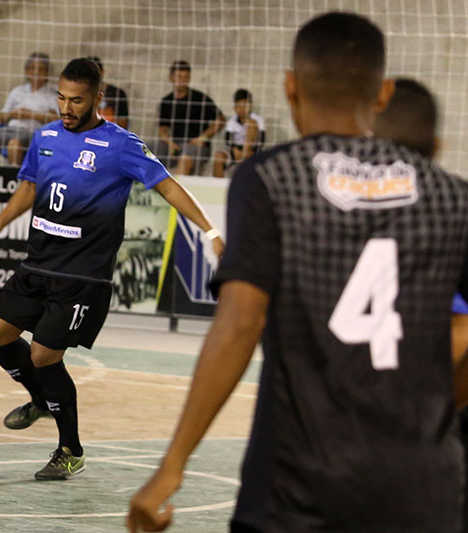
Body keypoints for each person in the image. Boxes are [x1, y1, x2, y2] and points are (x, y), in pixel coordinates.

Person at [128, 11, 468, 532]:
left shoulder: (272, 178)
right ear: (383, 93)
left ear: (290, 87)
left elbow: (240, 323)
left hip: (298, 485)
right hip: (422, 485)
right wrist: (442, 405)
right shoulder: (451, 195)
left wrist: (172, 464)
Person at [0, 57, 225, 481]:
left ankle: (70, 451)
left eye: (76, 100)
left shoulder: (120, 144)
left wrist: (210, 230)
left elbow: (168, 186)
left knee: (43, 355)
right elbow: (30, 185)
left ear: (97, 98)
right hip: (38, 263)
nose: (66, 108)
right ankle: (39, 399)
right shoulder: (45, 136)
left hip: (83, 275)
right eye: (61, 98)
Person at [375, 77, 468, 532]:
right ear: (437, 147)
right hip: (425, 437)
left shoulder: (317, 209)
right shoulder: (450, 211)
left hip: (342, 441)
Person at [0, 53, 59, 166]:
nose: (36, 72)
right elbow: (3, 116)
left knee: (14, 144)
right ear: (27, 71)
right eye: (33, 68)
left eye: (41, 69)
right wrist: (14, 114)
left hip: (31, 132)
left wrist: (29, 114)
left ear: (47, 73)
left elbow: (56, 119)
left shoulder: (52, 94)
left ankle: (13, 175)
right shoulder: (17, 91)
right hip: (10, 129)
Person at [155, 61, 225, 176]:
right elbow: (162, 128)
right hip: (174, 144)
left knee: (185, 158)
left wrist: (203, 138)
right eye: (179, 77)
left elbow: (221, 119)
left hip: (195, 146)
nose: (183, 80)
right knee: (146, 150)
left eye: (186, 77)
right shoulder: (166, 101)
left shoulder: (200, 98)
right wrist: (169, 142)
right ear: (171, 78)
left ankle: (178, 187)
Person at [212, 89, 266, 177]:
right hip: (235, 150)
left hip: (251, 151)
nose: (242, 109)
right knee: (219, 156)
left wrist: (248, 152)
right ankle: (218, 183)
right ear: (235, 107)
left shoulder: (258, 120)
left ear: (250, 106)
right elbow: (228, 141)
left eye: (245, 106)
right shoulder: (232, 121)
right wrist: (234, 150)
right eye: (239, 106)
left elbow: (261, 142)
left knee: (251, 124)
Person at [86, 56, 130, 129]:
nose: (91, 78)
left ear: (102, 72)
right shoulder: (82, 94)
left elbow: (123, 124)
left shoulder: (117, 94)